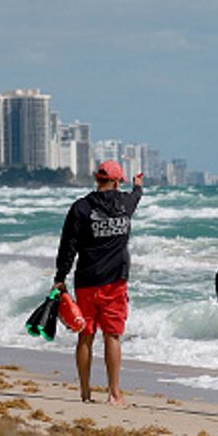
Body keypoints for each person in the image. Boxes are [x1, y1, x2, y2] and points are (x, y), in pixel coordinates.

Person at [53, 161, 144, 407]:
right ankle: (114, 394)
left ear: (97, 179)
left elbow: (68, 247)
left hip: (86, 281)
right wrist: (138, 186)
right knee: (112, 337)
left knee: (85, 336)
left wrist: (60, 278)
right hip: (115, 283)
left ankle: (85, 391)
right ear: (116, 182)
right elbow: (136, 197)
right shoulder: (125, 204)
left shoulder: (80, 208)